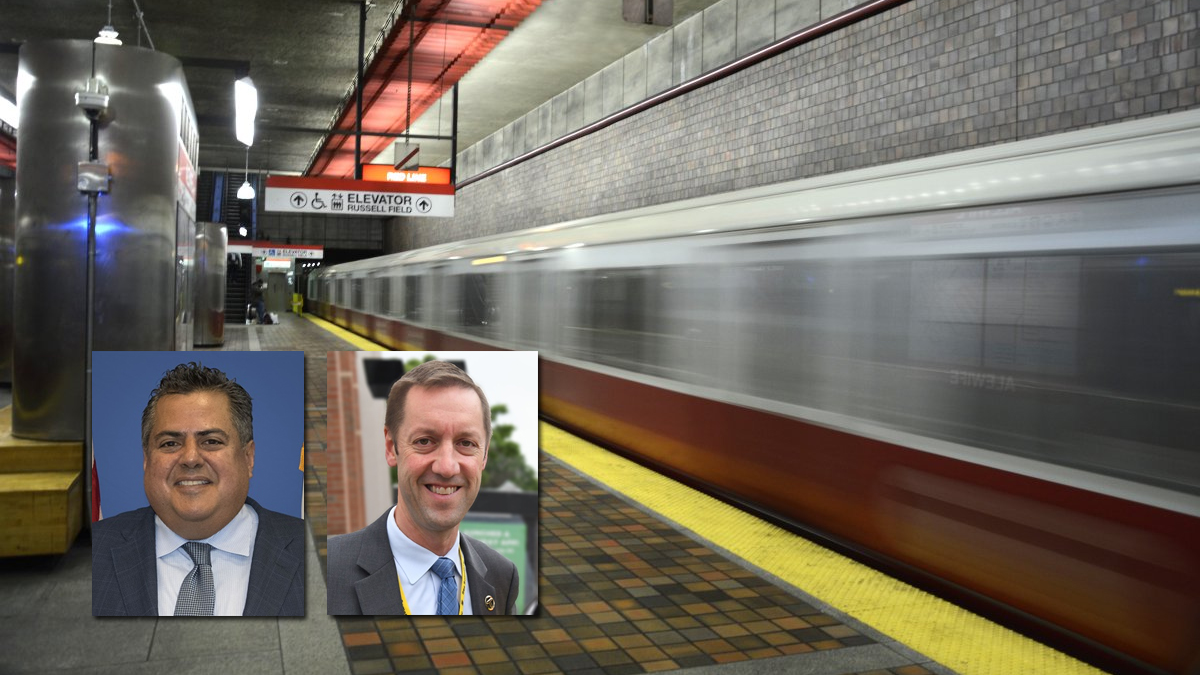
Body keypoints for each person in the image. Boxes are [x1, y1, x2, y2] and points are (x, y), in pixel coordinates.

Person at [92, 362, 305, 616]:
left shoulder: (316, 553)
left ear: (248, 458)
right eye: (170, 443)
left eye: (211, 441)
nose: (190, 458)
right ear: (146, 460)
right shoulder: (92, 550)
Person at [326, 360, 519, 615]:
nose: (447, 467)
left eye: (466, 443)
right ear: (390, 447)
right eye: (425, 441)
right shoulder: (329, 569)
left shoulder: (502, 577)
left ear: (484, 457)